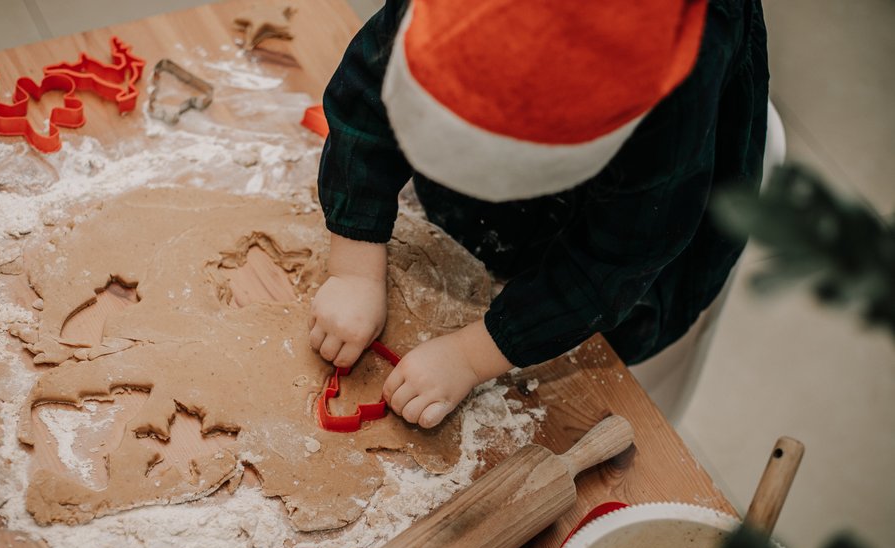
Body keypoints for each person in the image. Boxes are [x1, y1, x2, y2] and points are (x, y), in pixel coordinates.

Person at [309, 0, 769, 428]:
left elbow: (618, 260)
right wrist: (355, 266)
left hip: (638, 226)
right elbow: (366, 97)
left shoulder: (674, 97)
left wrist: (472, 356)